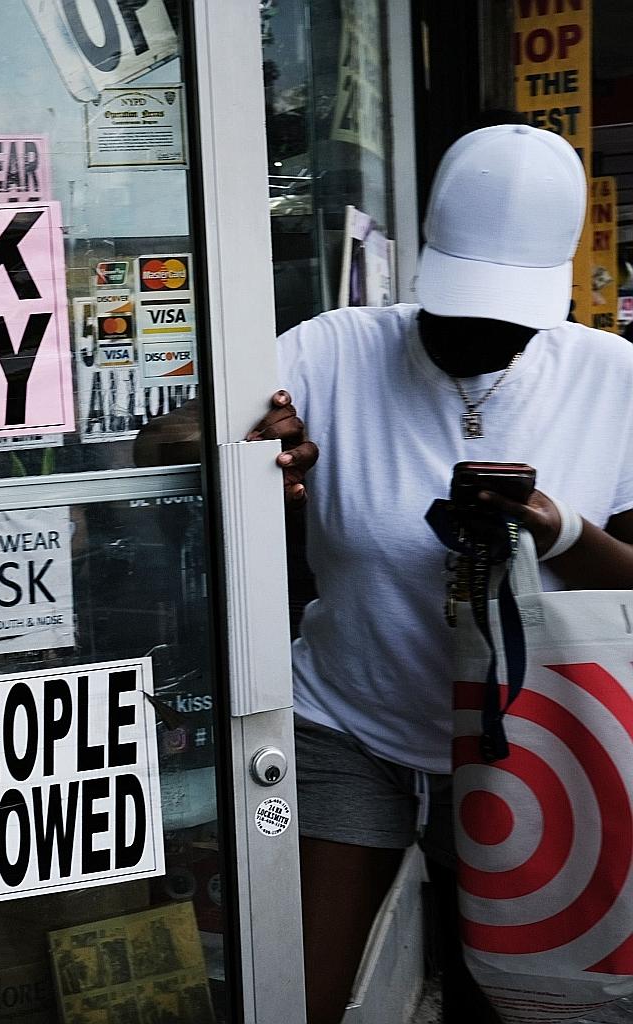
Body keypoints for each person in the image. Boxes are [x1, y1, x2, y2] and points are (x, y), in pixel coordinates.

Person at [252, 124, 633, 1022]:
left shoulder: (612, 379)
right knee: (302, 994)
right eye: (460, 308)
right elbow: (167, 442)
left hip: (538, 736)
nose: (480, 333)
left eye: (508, 321)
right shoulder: (330, 351)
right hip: (347, 720)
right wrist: (254, 448)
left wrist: (559, 531)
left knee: (516, 997)